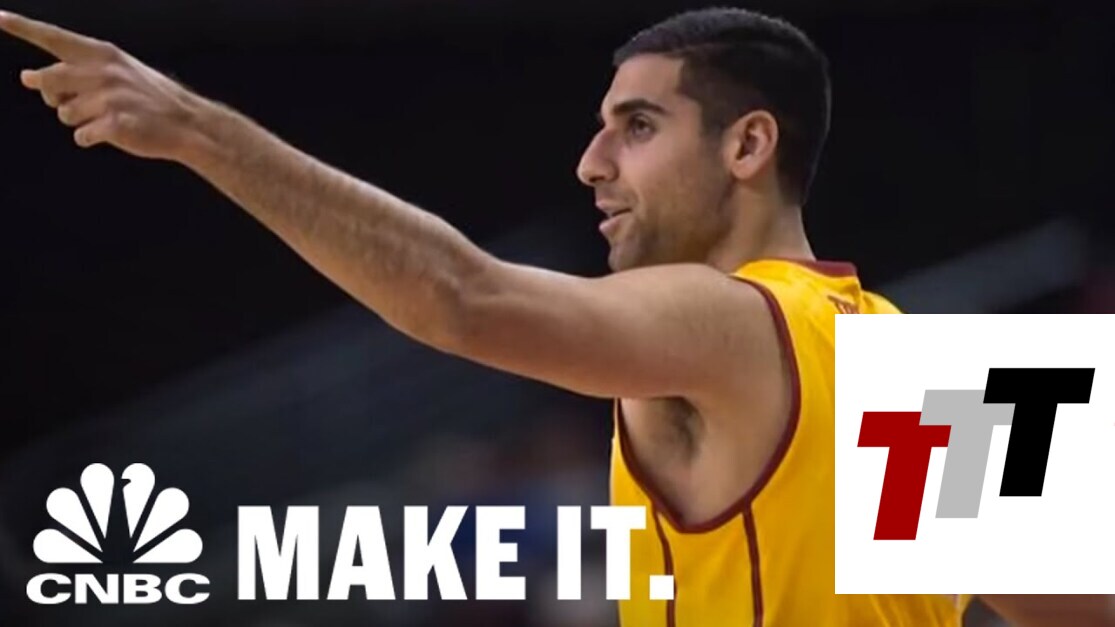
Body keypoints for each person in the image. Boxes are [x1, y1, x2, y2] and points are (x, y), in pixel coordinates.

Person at [2, 6, 1111, 626]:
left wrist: (199, 130)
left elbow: (463, 296)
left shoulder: (722, 318)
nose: (590, 162)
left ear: (747, 145)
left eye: (636, 125)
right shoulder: (922, 360)